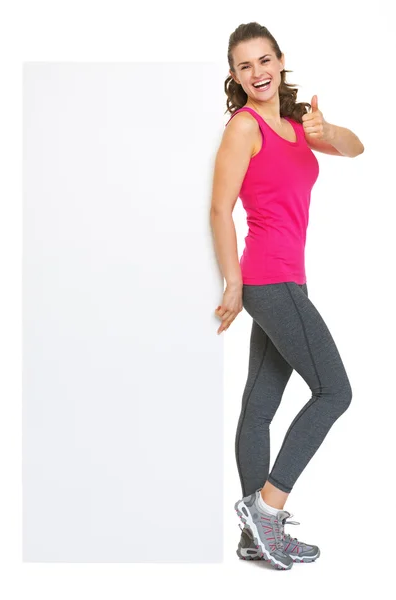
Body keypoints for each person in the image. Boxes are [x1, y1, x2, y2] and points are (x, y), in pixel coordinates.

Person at [210, 22, 364, 570]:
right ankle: (268, 512)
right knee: (334, 392)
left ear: (280, 61)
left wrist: (328, 126)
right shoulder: (243, 128)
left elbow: (355, 148)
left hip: (287, 280)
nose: (258, 73)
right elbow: (219, 209)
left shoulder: (299, 124)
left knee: (260, 407)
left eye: (265, 60)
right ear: (235, 75)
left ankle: (254, 538)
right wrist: (232, 281)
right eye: (245, 65)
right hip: (267, 279)